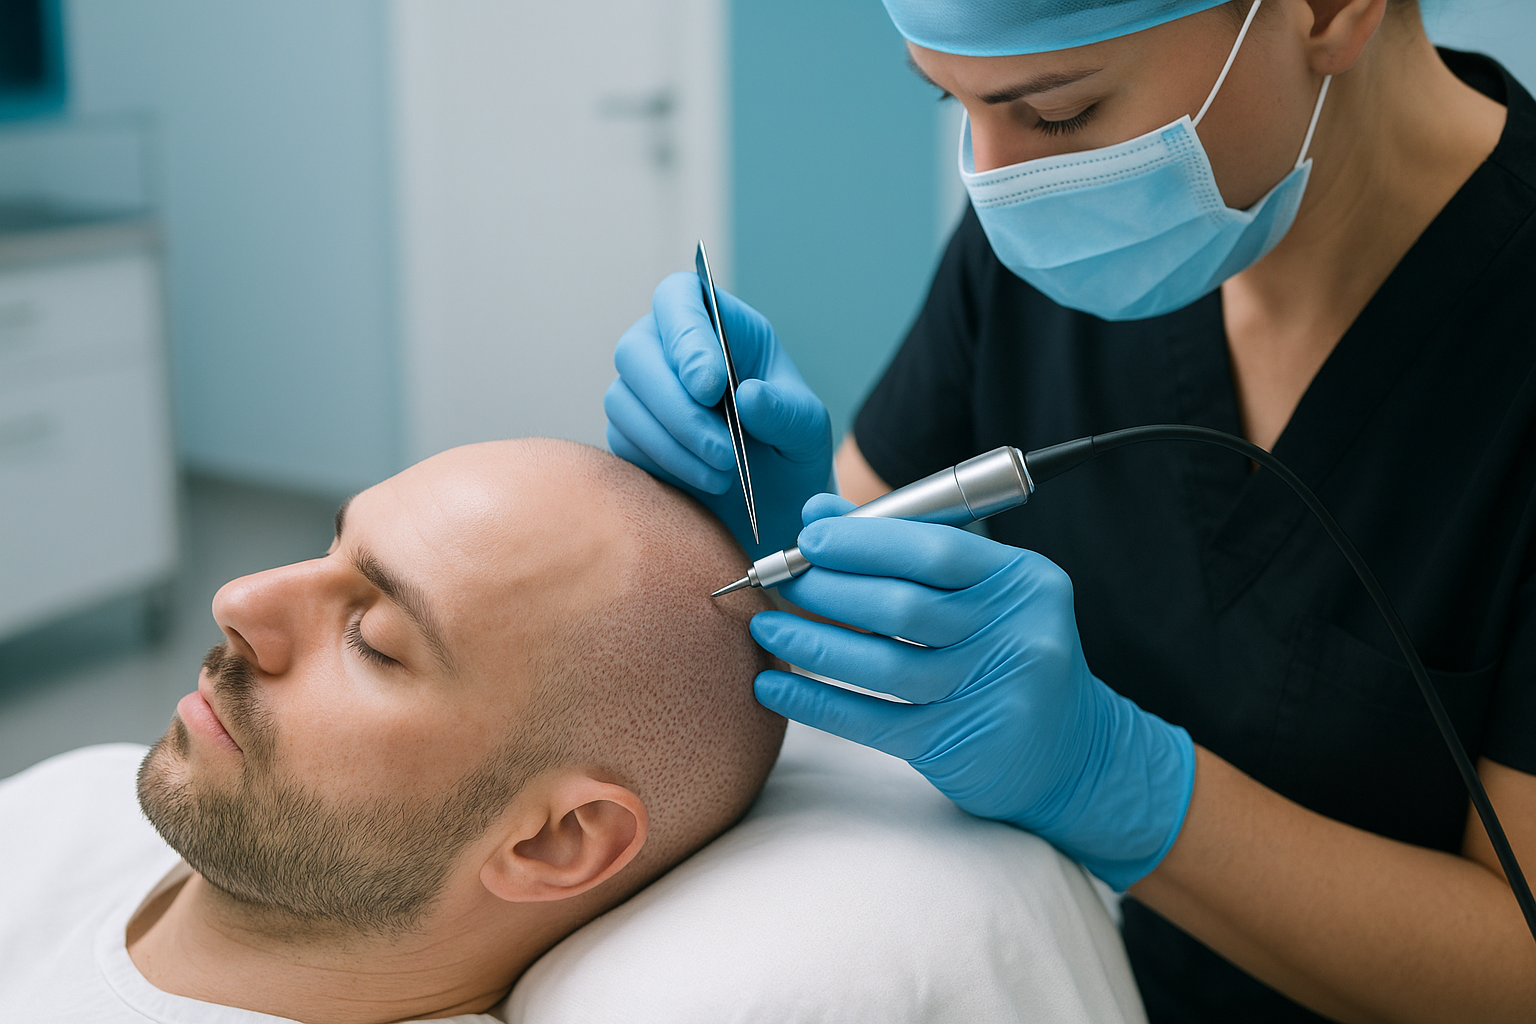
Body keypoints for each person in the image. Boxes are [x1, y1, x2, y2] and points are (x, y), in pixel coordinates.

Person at [603, 0, 1536, 1020]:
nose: (996, 180)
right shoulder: (1066, 237)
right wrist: (772, 520)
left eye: (1054, 115)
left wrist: (1114, 779)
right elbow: (846, 552)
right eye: (949, 101)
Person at [0, 438, 785, 1023]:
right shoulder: (75, 798)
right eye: (327, 548)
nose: (239, 600)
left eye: (372, 639)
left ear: (554, 841)